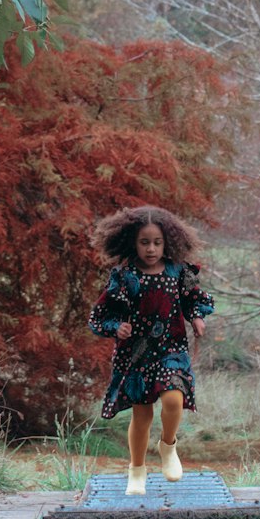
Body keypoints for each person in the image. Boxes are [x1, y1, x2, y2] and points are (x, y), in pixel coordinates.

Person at [88, 204, 214, 496]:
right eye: (144, 242)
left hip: (171, 348)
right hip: (136, 354)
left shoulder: (177, 271)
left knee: (173, 398)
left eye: (157, 242)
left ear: (167, 242)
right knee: (141, 416)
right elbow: (99, 315)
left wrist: (196, 317)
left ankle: (168, 447)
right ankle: (137, 469)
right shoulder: (125, 275)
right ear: (133, 242)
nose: (151, 249)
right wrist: (116, 327)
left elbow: (192, 298)